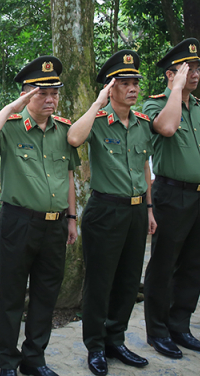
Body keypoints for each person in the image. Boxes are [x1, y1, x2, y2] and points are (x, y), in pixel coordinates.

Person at [0, 56, 79, 376]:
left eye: (55, 94)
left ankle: (35, 359)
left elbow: (70, 176)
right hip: (20, 223)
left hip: (56, 224)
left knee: (46, 294)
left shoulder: (65, 129)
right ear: (26, 94)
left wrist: (72, 219)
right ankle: (7, 361)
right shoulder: (10, 127)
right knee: (11, 296)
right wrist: (11, 108)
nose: (50, 100)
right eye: (42, 93)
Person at [66, 51, 157, 375]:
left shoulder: (143, 124)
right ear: (111, 87)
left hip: (135, 212)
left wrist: (148, 209)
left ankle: (116, 339)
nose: (133, 88)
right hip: (105, 211)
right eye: (125, 83)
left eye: (135, 83)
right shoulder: (98, 121)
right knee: (100, 282)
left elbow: (145, 169)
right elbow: (74, 137)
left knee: (129, 281)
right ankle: (95, 346)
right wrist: (98, 103)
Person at [142, 38, 200, 359]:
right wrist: (176, 91)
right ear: (170, 75)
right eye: (187, 69)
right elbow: (167, 128)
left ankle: (181, 326)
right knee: (164, 264)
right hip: (171, 195)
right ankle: (158, 332)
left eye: (198, 68)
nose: (195, 74)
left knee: (193, 264)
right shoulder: (154, 104)